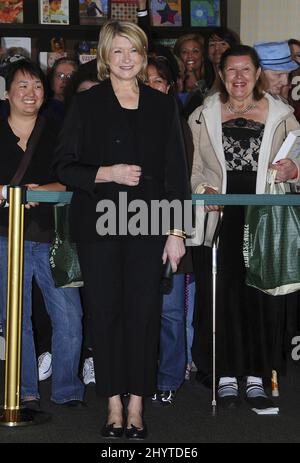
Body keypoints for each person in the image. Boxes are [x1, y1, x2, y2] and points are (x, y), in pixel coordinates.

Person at [54, 20, 188, 439]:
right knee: (106, 313)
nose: (127, 59)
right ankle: (113, 403)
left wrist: (177, 232)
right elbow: (63, 166)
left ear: (144, 55)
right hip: (99, 222)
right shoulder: (88, 104)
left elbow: (176, 174)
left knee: (144, 314)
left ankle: (136, 405)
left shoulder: (163, 105)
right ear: (104, 58)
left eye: (134, 51)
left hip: (149, 223)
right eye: (118, 51)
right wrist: (105, 172)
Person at [189, 45, 300, 412]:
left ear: (258, 73)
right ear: (221, 74)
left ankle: (256, 374)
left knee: (260, 298)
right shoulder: (203, 114)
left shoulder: (282, 114)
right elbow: (190, 166)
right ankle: (223, 374)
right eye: (231, 70)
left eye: (246, 70)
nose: (239, 77)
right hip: (219, 216)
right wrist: (203, 190)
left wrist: (292, 170)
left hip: (263, 215)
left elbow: (298, 156)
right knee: (219, 297)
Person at [0, 59, 85, 409]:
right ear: (7, 92)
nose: (30, 93)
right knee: (15, 319)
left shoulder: (57, 130)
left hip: (54, 237)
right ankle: (25, 389)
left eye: (36, 85)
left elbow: (74, 177)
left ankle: (66, 389)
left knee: (70, 318)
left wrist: (41, 190)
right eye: (22, 85)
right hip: (6, 238)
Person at [145, 56, 195, 406]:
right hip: (127, 225)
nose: (152, 86)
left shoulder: (181, 126)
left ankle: (170, 377)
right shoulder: (124, 120)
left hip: (171, 226)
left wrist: (175, 230)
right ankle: (139, 375)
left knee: (171, 311)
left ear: (170, 87)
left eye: (159, 81)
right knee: (135, 309)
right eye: (146, 80)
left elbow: (184, 182)